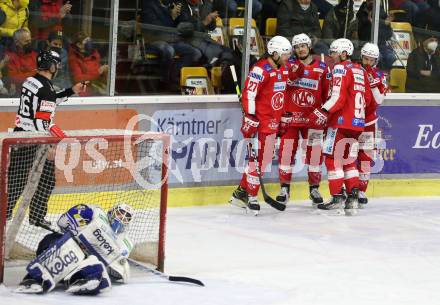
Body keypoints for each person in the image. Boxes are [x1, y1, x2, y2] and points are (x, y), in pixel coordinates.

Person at [6, 50, 87, 226]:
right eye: (57, 64)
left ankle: (6, 213)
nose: (58, 67)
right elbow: (43, 121)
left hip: (20, 135)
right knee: (44, 180)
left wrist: (71, 91)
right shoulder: (47, 90)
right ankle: (35, 216)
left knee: (16, 179)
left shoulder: (31, 81)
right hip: (35, 140)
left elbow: (45, 101)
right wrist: (50, 145)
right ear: (51, 66)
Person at [228, 35, 303, 215]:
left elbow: (294, 78)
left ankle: (241, 192)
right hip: (261, 122)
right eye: (285, 54)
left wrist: (283, 117)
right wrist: (251, 117)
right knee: (261, 159)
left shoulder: (283, 69)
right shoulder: (260, 70)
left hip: (273, 121)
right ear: (274, 53)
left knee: (263, 159)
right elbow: (249, 94)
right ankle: (251, 195)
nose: (288, 58)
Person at [307, 38, 373, 216]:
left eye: (334, 52)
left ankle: (337, 197)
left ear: (344, 53)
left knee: (332, 159)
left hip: (340, 123)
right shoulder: (361, 70)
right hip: (357, 124)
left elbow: (337, 97)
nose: (332, 56)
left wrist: (323, 111)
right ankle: (352, 198)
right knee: (349, 161)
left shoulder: (340, 68)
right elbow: (367, 100)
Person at [17, 203, 134, 295]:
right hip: (63, 244)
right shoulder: (96, 213)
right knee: (54, 240)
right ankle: (33, 278)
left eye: (127, 217)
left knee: (93, 264)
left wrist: (120, 266)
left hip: (81, 259)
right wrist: (81, 231)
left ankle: (81, 280)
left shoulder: (125, 243)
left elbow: (115, 273)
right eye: (120, 213)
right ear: (112, 210)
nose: (122, 217)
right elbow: (64, 220)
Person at [277, 33, 331, 207]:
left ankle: (314, 188)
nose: (301, 49)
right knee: (286, 154)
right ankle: (284, 189)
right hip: (291, 118)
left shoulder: (322, 68)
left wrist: (324, 114)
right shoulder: (288, 65)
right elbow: (281, 85)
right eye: (297, 46)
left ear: (309, 47)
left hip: (313, 120)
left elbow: (327, 95)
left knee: (315, 155)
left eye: (303, 46)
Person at [357, 42, 387, 207]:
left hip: (369, 122)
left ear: (376, 60)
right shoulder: (352, 70)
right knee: (348, 156)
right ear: (361, 56)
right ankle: (350, 188)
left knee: (366, 158)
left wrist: (373, 83)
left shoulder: (380, 76)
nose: (368, 62)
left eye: (371, 59)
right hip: (351, 121)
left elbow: (379, 100)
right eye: (365, 58)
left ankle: (361, 190)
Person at [356, 0, 395, 71]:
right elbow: (361, 33)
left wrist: (382, 24)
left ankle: (384, 74)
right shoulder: (361, 13)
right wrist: (371, 23)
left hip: (380, 44)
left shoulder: (382, 13)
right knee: (378, 56)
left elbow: (389, 34)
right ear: (367, 1)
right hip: (366, 43)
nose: (372, 2)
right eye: (370, 1)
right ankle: (376, 74)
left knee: (391, 57)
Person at [68, 31, 108, 96]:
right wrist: (98, 72)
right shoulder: (74, 58)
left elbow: (100, 74)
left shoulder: (94, 54)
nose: (89, 42)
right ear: (79, 45)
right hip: (83, 89)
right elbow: (78, 78)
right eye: (86, 40)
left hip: (97, 86)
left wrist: (105, 72)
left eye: (89, 39)